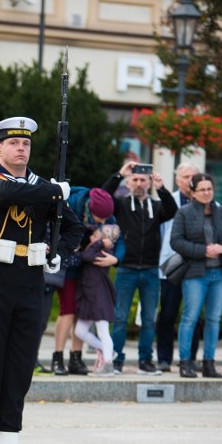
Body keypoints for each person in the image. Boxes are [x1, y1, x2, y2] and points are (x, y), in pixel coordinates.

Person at [0, 117, 82, 444]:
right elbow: (5, 196)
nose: (21, 148)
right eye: (13, 143)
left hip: (29, 282)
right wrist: (54, 192)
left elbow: (73, 227)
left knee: (19, 369)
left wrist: (58, 254)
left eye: (26, 143)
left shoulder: (42, 187)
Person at [102, 161, 178, 374]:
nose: (138, 183)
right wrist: (119, 174)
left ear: (149, 182)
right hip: (126, 269)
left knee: (148, 319)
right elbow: (103, 195)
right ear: (129, 182)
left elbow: (172, 210)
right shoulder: (121, 205)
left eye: (143, 180)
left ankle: (145, 361)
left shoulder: (156, 206)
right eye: (134, 179)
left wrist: (162, 188)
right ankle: (116, 359)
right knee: (120, 318)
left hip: (151, 270)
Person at [51, 186, 119, 375]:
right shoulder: (72, 204)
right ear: (90, 208)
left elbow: (118, 241)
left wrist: (116, 258)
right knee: (68, 310)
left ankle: (76, 357)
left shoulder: (106, 213)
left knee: (81, 313)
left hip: (86, 269)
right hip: (67, 262)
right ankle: (57, 357)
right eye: (100, 219)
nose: (104, 223)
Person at [170, 172, 222, 379]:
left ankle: (209, 363)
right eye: (202, 190)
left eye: (209, 189)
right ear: (193, 192)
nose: (206, 193)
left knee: (214, 319)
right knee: (190, 318)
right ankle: (185, 363)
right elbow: (176, 241)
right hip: (195, 272)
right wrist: (202, 250)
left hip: (219, 273)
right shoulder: (184, 212)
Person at [156, 162, 201, 372]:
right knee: (168, 314)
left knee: (193, 315)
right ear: (177, 180)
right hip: (172, 264)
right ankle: (164, 358)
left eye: (193, 176)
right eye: (185, 176)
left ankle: (189, 358)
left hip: (196, 266)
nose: (190, 180)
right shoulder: (168, 202)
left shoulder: (205, 201)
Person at [74, 224, 121, 376]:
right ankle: (108, 351)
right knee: (79, 330)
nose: (91, 238)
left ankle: (108, 364)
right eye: (92, 236)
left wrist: (100, 243)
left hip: (100, 296)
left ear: (104, 240)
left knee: (103, 331)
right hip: (89, 297)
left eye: (95, 236)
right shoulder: (93, 248)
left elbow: (87, 257)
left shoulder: (103, 251)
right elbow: (84, 255)